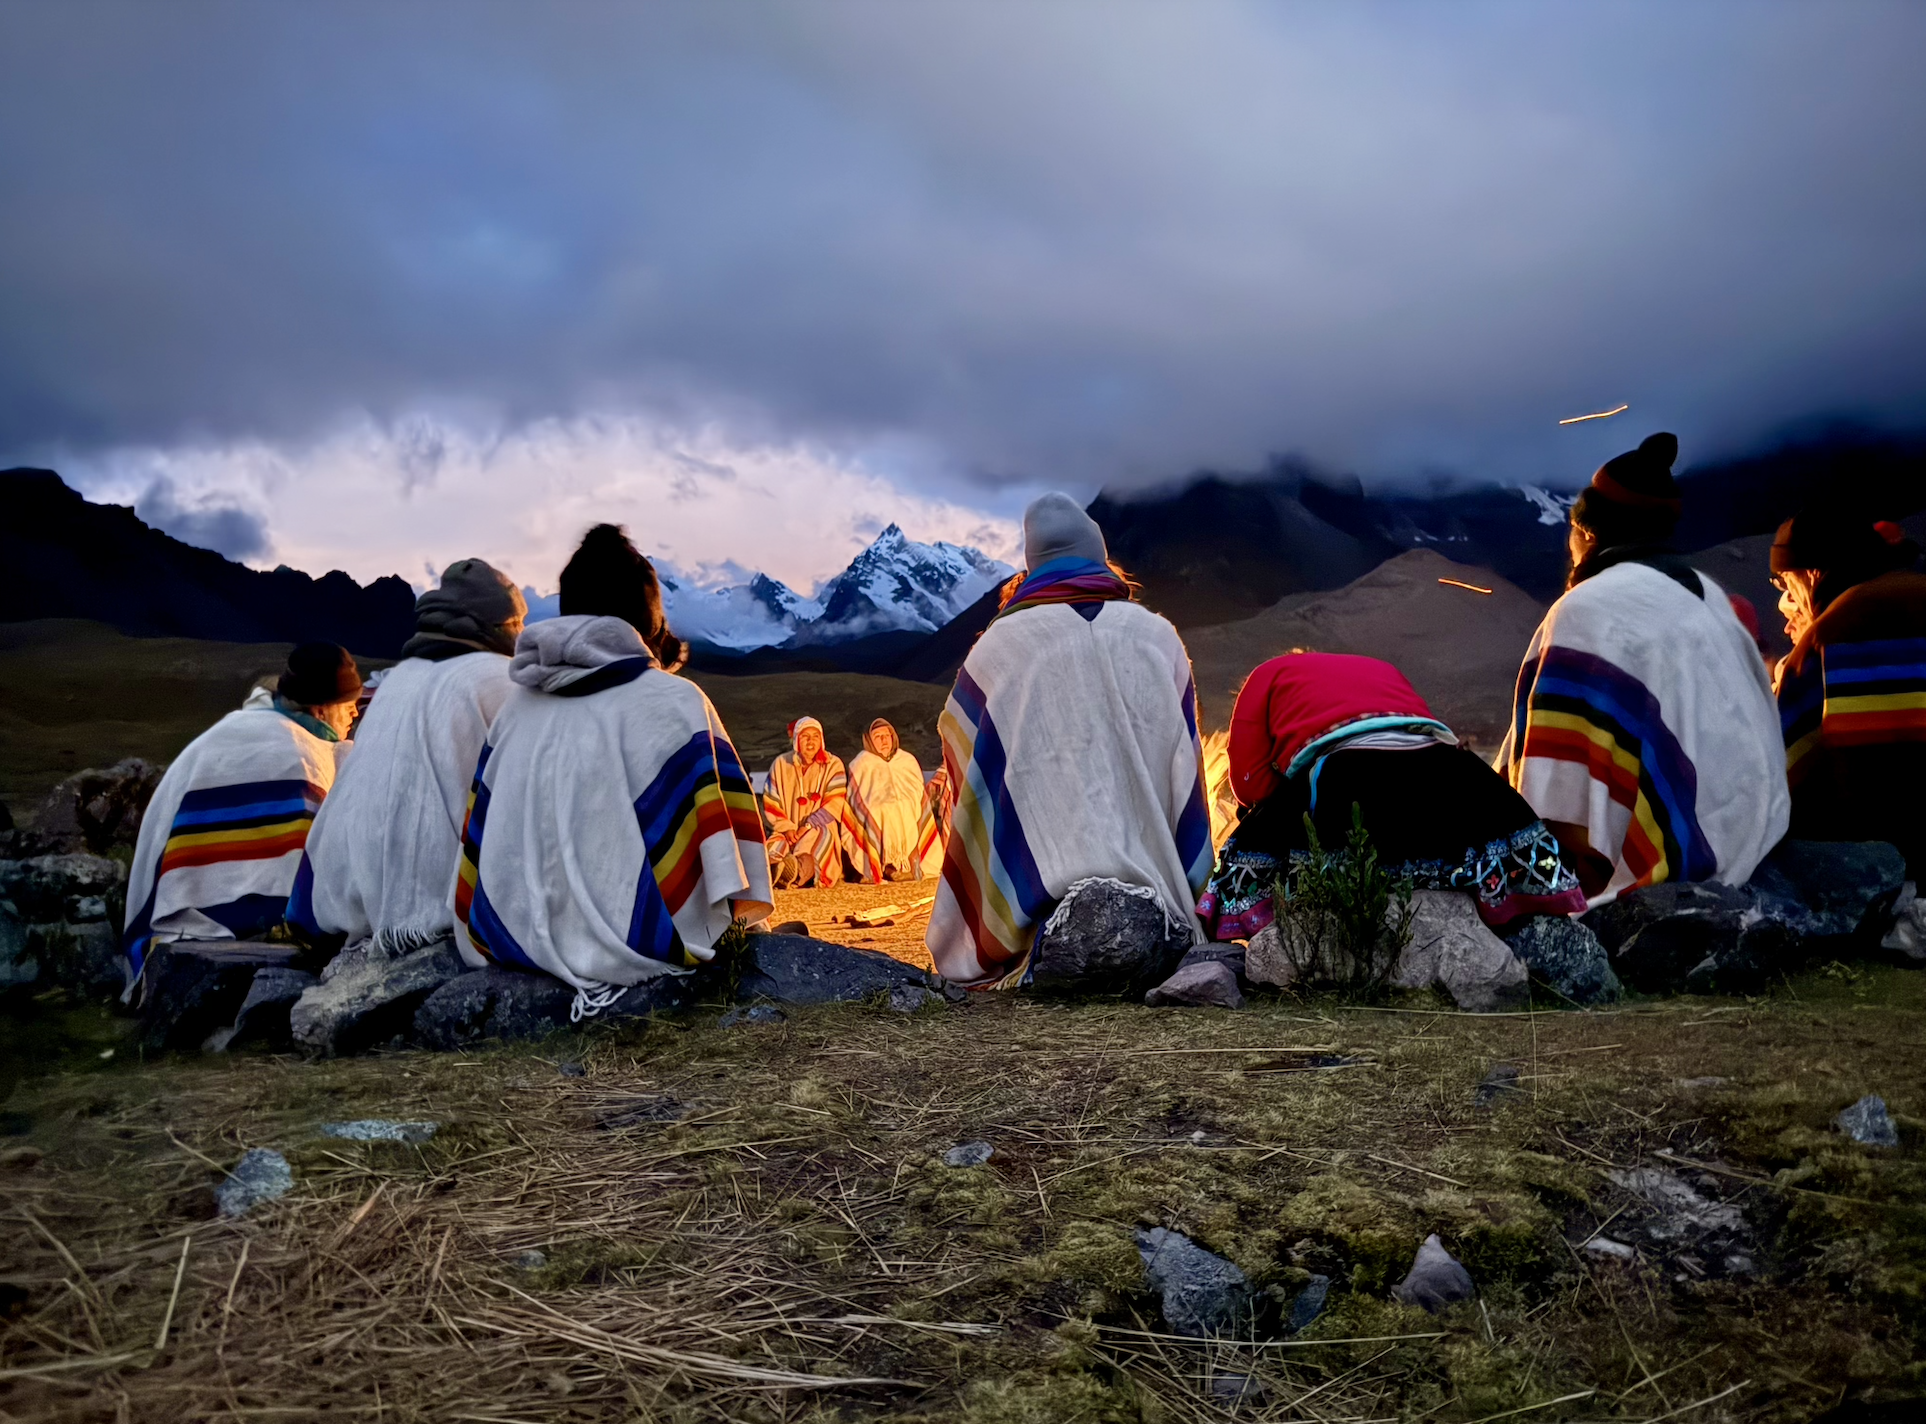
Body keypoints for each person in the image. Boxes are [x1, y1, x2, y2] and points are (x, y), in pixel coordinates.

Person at [451, 525, 770, 1018]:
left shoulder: (515, 710)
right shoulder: (676, 703)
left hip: (509, 936)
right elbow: (726, 867)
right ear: (651, 620)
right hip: (642, 944)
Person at [926, 492, 1212, 988]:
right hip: (1161, 903)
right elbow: (1186, 769)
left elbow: (964, 767)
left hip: (1038, 907)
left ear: (1033, 563)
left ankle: (1035, 944)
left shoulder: (997, 648)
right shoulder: (1158, 636)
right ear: (1099, 554)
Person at [1497, 433, 1789, 905]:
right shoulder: (1708, 594)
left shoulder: (1589, 608)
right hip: (1752, 827)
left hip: (1679, 852)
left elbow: (1552, 776)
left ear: (1587, 534)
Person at [1196, 651, 1587, 940]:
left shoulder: (1267, 674)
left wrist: (1265, 817)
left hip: (1344, 770)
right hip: (1452, 768)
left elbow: (1248, 778)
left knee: (1250, 847)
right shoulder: (1382, 668)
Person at [288, 559, 526, 952]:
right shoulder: (500, 680)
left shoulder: (398, 679)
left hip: (349, 902)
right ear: (501, 625)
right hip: (439, 908)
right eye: (518, 623)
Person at [123, 642, 361, 988]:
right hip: (240, 922)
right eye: (348, 705)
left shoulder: (230, 730)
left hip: (169, 911)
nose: (354, 714)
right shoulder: (301, 758)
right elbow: (309, 863)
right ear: (321, 709)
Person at [1771, 507, 1926, 873]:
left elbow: (1786, 785)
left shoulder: (1826, 638)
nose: (1786, 595)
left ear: (1811, 572)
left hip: (1880, 874)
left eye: (1783, 581)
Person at [845, 718, 943, 882]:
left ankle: (910, 862)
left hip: (907, 805)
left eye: (887, 735)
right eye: (878, 736)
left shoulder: (907, 760)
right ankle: (886, 865)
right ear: (869, 740)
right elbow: (858, 799)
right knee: (879, 811)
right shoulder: (861, 763)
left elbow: (918, 789)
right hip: (876, 807)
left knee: (911, 808)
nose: (884, 740)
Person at [762, 717, 850, 889]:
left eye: (815, 736)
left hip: (820, 826)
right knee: (775, 846)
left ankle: (795, 872)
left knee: (811, 848)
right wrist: (786, 827)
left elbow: (835, 802)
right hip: (788, 828)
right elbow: (771, 800)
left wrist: (807, 826)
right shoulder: (781, 763)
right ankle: (776, 870)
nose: (810, 742)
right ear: (796, 740)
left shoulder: (833, 764)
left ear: (822, 739)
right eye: (805, 736)